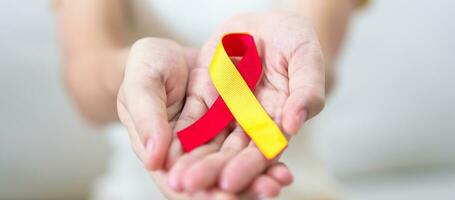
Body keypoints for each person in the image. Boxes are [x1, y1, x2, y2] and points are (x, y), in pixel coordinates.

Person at [54, 0, 367, 199]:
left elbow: (320, 55)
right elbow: (85, 69)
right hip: (142, 187)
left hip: (297, 190)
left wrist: (301, 67)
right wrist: (134, 74)